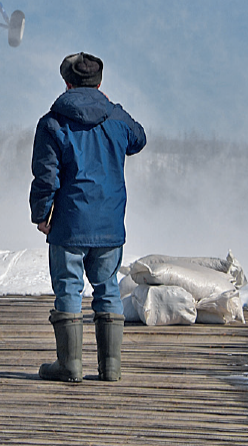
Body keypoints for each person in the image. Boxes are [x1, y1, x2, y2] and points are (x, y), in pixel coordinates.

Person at [29, 52, 146, 382]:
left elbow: (45, 177)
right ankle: (111, 367)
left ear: (67, 83)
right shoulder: (116, 117)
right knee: (107, 288)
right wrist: (110, 107)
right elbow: (139, 138)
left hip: (69, 224)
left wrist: (41, 214)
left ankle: (70, 365)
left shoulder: (52, 122)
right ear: (99, 82)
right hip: (110, 223)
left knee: (68, 288)